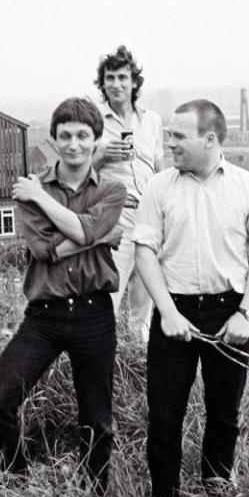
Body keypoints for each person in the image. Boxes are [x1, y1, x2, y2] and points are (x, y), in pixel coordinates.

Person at [133, 99, 249, 497]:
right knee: (163, 416)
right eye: (170, 135)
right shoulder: (159, 187)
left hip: (229, 313)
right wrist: (168, 313)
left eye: (179, 136)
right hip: (173, 312)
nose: (170, 143)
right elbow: (145, 251)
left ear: (210, 139)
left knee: (224, 413)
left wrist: (245, 314)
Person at [0, 97, 127, 496]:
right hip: (44, 315)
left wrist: (47, 204)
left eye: (83, 136)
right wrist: (97, 233)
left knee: (97, 418)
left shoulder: (112, 188)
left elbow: (73, 237)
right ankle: (15, 484)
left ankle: (92, 496)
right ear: (54, 139)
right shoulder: (29, 188)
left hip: (95, 312)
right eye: (65, 136)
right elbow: (45, 250)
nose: (74, 144)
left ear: (97, 141)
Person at [94, 45, 164, 345]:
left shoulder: (152, 120)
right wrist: (102, 154)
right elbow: (79, 171)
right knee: (108, 295)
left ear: (134, 82)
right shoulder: (94, 121)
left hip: (148, 218)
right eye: (109, 78)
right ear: (102, 84)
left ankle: (137, 365)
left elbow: (161, 169)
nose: (116, 84)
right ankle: (101, 360)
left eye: (123, 77)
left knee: (144, 299)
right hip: (115, 219)